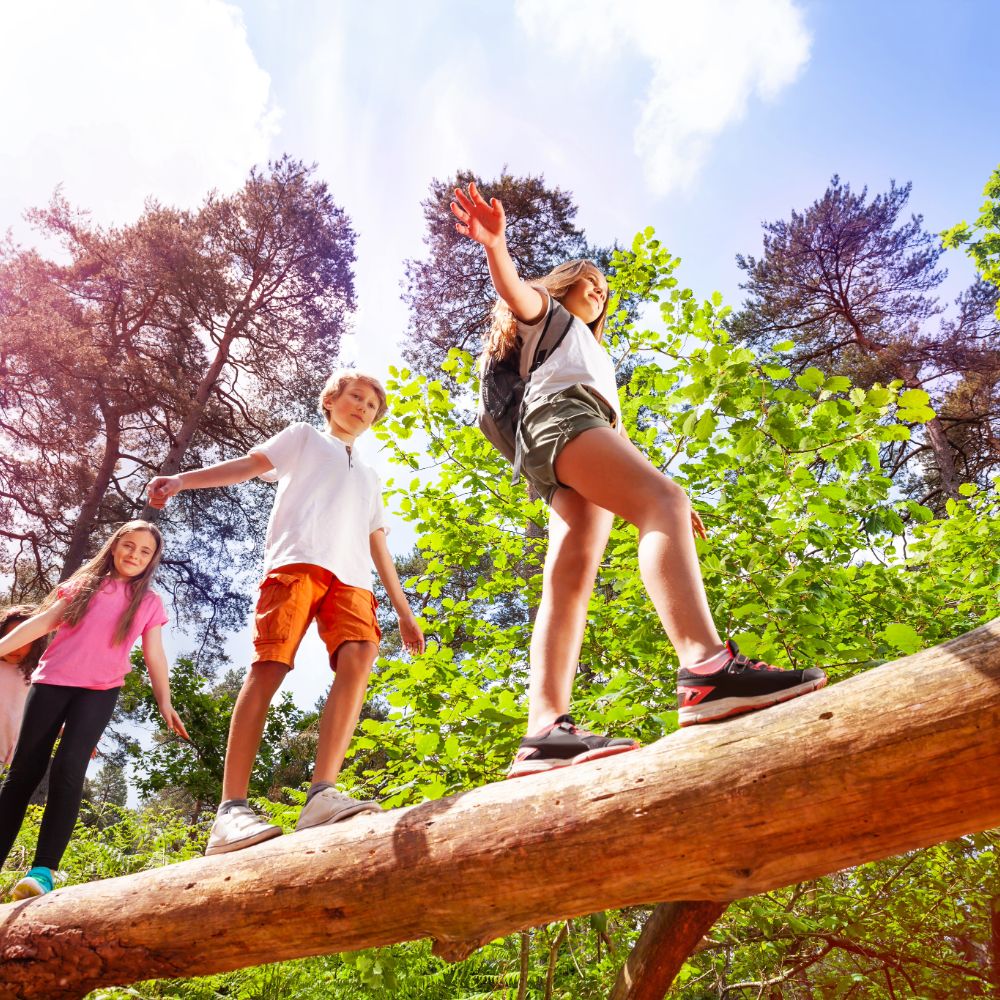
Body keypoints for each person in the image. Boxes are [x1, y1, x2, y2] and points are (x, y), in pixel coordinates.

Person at [451, 181, 826, 778]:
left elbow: (614, 437)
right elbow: (515, 292)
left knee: (569, 579)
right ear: (561, 288)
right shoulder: (549, 320)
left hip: (558, 444)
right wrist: (496, 246)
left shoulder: (589, 353)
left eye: (604, 290)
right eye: (588, 283)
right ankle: (706, 671)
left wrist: (660, 496)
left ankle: (543, 731)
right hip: (561, 422)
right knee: (660, 505)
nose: (599, 293)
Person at [147, 370, 425, 856]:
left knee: (360, 657)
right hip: (298, 563)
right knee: (271, 666)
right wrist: (181, 481)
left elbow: (378, 543)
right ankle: (230, 810)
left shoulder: (370, 475)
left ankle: (322, 794)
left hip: (352, 578)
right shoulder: (303, 438)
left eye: (373, 406)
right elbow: (249, 466)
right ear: (331, 400)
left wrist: (403, 611)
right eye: (356, 397)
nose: (364, 408)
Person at [0, 521, 189, 900]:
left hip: (99, 693)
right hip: (51, 683)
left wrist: (164, 701)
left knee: (70, 769)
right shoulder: (82, 587)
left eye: (144, 551)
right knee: (23, 773)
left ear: (152, 559)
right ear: (115, 546)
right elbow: (39, 624)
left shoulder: (149, 603)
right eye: (129, 546)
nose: (134, 555)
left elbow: (155, 655)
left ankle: (42, 872)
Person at [0, 605, 46, 769]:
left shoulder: (34, 676)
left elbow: (41, 713)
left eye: (24, 640)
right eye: (11, 637)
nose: (16, 646)